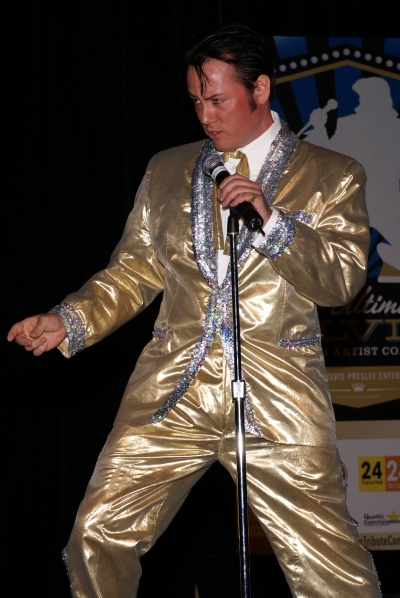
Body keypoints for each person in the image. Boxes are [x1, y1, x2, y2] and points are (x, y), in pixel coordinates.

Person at [7, 24, 381, 598]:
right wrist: (69, 320)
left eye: (217, 99)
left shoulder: (331, 174)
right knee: (96, 536)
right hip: (172, 391)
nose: (204, 116)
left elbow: (342, 282)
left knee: (333, 572)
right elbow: (134, 271)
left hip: (278, 398)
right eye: (195, 101)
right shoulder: (167, 170)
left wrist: (273, 222)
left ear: (260, 89)